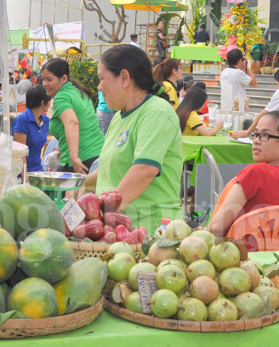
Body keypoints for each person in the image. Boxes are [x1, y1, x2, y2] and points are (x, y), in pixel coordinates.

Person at [81, 45, 182, 230]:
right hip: (118, 231)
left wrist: (104, 215)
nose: (99, 86)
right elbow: (109, 168)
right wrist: (81, 186)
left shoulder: (156, 112)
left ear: (125, 78)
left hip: (148, 232)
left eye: (102, 79)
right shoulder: (119, 116)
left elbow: (144, 170)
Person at [208, 111, 279, 237]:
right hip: (270, 255)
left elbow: (216, 227)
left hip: (233, 253)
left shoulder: (256, 173)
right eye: (255, 134)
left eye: (265, 135)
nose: (256, 141)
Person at [41, 58, 104, 173]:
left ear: (64, 78)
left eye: (49, 79)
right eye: (43, 79)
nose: (45, 84)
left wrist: (74, 158)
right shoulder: (79, 92)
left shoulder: (62, 96)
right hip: (99, 156)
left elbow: (72, 122)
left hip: (81, 160)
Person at [12, 85, 51, 173]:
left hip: (37, 169)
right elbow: (21, 154)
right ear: (42, 103)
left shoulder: (44, 119)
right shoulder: (22, 121)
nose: (50, 104)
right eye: (49, 101)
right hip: (21, 171)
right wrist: (25, 180)